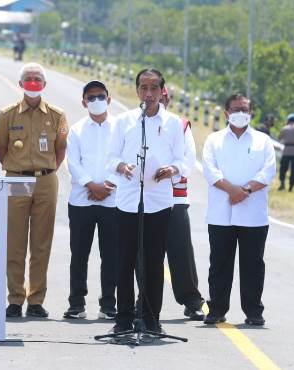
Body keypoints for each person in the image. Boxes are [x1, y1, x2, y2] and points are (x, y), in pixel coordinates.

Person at [106, 68, 185, 334]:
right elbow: (110, 157)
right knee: (125, 261)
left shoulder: (173, 123)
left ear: (163, 90)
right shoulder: (124, 121)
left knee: (153, 262)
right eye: (143, 87)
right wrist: (122, 168)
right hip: (128, 200)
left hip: (159, 200)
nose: (148, 93)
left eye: (154, 88)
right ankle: (124, 319)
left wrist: (172, 169)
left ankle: (151, 318)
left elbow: (182, 160)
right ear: (137, 90)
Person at [0, 62, 68, 318]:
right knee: (14, 241)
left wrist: (48, 171)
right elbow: (0, 148)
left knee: (41, 243)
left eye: (38, 79)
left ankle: (36, 300)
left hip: (46, 181)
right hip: (16, 180)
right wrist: (16, 169)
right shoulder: (8, 114)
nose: (33, 82)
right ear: (21, 84)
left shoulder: (57, 115)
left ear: (45, 85)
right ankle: (15, 299)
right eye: (29, 79)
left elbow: (61, 148)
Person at [202, 93, 276, 325]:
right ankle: (216, 309)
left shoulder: (263, 141)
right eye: (235, 109)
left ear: (251, 113)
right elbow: (210, 170)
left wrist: (244, 191)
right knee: (219, 265)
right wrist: (231, 190)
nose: (240, 114)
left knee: (253, 266)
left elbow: (268, 171)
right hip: (221, 213)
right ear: (226, 113)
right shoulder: (213, 140)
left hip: (253, 214)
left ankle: (253, 311)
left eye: (244, 109)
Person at [63, 80, 119, 320]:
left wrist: (106, 185)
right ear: (84, 102)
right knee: (79, 254)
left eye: (101, 96)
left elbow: (125, 159)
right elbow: (72, 163)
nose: (96, 101)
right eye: (91, 97)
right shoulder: (76, 130)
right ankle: (76, 303)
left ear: (109, 99)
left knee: (112, 255)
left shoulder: (121, 128)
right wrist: (90, 185)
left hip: (113, 199)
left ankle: (108, 304)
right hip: (81, 199)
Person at [159, 87, 205, 321]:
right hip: (146, 200)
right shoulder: (134, 124)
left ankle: (191, 300)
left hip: (174, 198)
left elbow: (187, 161)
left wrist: (170, 171)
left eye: (162, 95)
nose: (158, 99)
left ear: (166, 97)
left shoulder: (180, 125)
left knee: (181, 253)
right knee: (144, 255)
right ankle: (144, 300)